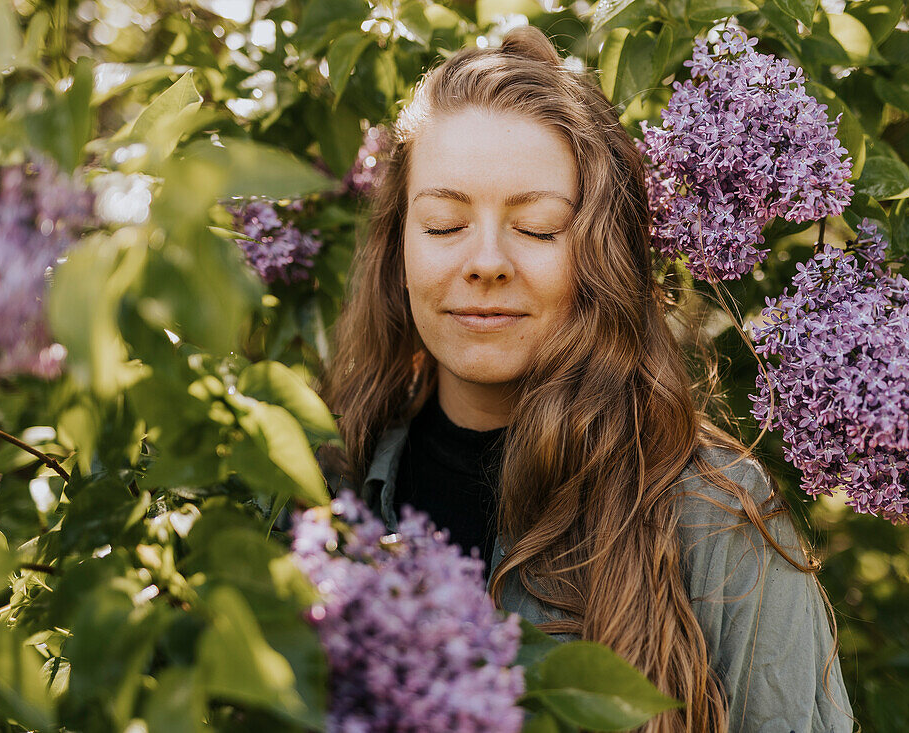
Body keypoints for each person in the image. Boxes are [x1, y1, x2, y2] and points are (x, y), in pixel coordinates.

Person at [316, 24, 855, 733]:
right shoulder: (322, 486)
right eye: (444, 223)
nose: (486, 261)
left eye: (538, 228)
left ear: (602, 258)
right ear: (398, 247)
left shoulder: (714, 517)